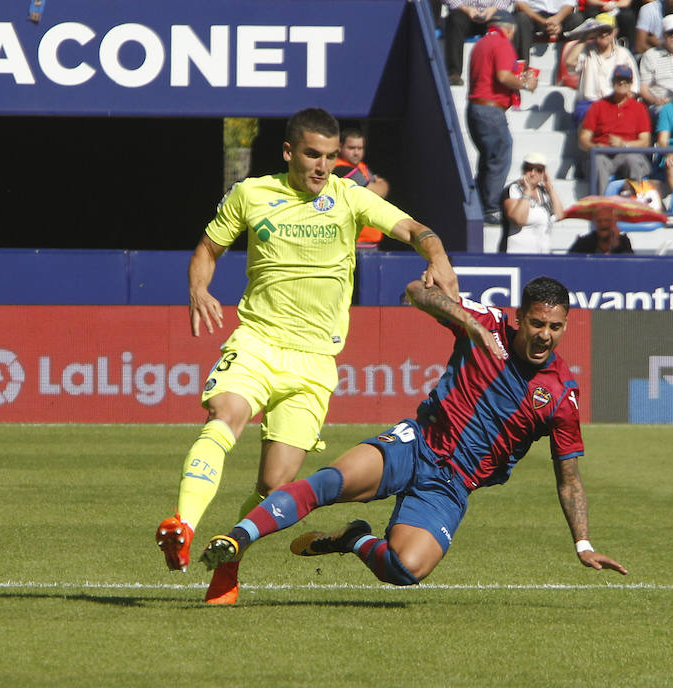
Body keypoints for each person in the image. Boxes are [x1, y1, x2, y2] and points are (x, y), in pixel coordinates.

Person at [154, 108, 459, 605]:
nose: (323, 167)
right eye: (313, 155)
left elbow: (414, 229)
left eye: (331, 157)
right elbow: (208, 249)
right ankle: (182, 524)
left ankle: (229, 559)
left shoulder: (348, 196)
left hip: (314, 363)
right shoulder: (251, 194)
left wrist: (437, 254)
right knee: (226, 413)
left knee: (277, 484)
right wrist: (198, 289)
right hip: (256, 341)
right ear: (289, 152)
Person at [198, 276, 629, 590]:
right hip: (416, 443)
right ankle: (236, 539)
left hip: (451, 486)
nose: (544, 336)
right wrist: (469, 323)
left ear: (566, 325)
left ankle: (354, 538)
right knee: (328, 482)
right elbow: (417, 291)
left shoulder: (560, 393)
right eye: (537, 324)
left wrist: (583, 543)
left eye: (555, 327)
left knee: (405, 571)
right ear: (521, 317)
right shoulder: (487, 324)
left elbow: (569, 478)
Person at [467, 10, 539, 225]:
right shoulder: (501, 43)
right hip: (490, 110)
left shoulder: (481, 44)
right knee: (500, 155)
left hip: (476, 109)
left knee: (489, 159)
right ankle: (490, 208)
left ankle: (480, 202)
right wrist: (526, 83)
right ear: (509, 29)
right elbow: (503, 76)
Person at [577, 65, 653, 195]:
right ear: (612, 82)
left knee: (633, 160)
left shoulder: (639, 108)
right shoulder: (598, 106)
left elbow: (645, 141)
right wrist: (595, 146)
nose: (622, 83)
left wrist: (624, 144)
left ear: (631, 84)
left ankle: (638, 202)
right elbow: (583, 138)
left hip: (627, 153)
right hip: (603, 154)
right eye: (619, 80)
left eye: (626, 80)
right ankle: (600, 205)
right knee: (598, 161)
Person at [564, 13, 640, 130]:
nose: (604, 34)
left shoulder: (624, 54)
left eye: (608, 31)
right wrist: (585, 37)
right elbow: (569, 62)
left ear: (615, 32)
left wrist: (617, 106)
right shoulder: (586, 51)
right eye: (600, 30)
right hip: (590, 103)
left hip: (616, 103)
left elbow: (633, 88)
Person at [332, 128, 390, 247]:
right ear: (340, 147)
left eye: (360, 148)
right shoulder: (339, 168)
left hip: (370, 239)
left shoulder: (362, 167)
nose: (356, 152)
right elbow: (376, 192)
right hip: (354, 241)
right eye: (351, 148)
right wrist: (383, 183)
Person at [501, 152, 566, 252]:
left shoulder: (544, 192)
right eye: (529, 168)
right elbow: (519, 219)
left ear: (544, 173)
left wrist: (550, 189)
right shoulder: (513, 190)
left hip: (542, 254)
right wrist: (527, 191)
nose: (532, 173)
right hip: (516, 253)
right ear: (523, 170)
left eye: (538, 170)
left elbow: (560, 215)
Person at [444, 1, 513, 86]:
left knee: (505, 24)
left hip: (493, 12)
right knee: (455, 20)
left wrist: (494, 9)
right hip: (463, 10)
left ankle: (503, 72)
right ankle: (454, 73)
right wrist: (466, 9)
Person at [513, 0, 585, 64]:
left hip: (560, 16)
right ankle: (522, 66)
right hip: (534, 16)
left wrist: (556, 20)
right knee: (521, 18)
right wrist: (543, 21)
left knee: (577, 19)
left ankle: (572, 65)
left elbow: (570, 4)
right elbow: (520, 4)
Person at [567, 206, 636, 253]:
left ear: (614, 222)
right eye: (599, 221)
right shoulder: (584, 242)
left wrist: (616, 244)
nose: (603, 224)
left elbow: (629, 264)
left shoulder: (623, 241)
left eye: (607, 220)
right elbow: (569, 261)